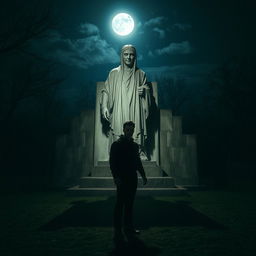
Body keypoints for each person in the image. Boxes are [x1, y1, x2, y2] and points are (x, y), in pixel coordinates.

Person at [101, 44, 151, 159]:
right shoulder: (114, 73)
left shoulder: (141, 74)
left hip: (135, 108)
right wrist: (104, 106)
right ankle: (118, 152)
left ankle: (138, 151)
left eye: (131, 55)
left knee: (136, 128)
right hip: (119, 107)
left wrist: (144, 91)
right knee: (119, 128)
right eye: (126, 54)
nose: (129, 57)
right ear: (121, 56)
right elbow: (106, 91)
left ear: (135, 57)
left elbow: (146, 90)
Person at [109, 121, 147, 242]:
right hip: (122, 179)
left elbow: (137, 162)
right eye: (128, 130)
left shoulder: (135, 146)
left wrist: (143, 175)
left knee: (129, 205)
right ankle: (117, 229)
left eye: (131, 130)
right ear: (124, 130)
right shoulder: (116, 144)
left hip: (132, 178)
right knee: (120, 204)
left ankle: (128, 228)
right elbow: (113, 163)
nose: (130, 132)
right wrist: (116, 177)